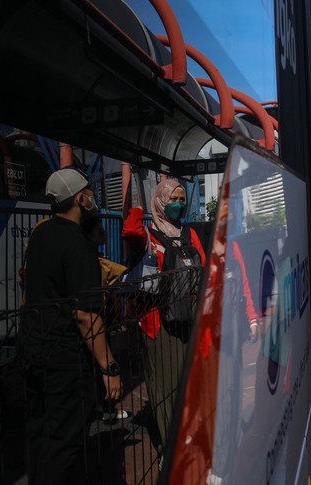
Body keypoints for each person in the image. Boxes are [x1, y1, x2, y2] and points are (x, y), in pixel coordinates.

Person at [21, 167, 122, 485]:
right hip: (65, 357)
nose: (93, 197)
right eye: (90, 192)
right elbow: (86, 315)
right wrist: (109, 368)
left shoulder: (40, 234)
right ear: (80, 198)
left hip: (33, 347)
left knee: (40, 433)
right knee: (64, 442)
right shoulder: (77, 246)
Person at [121, 177, 206, 458]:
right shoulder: (147, 234)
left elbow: (203, 267)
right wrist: (137, 208)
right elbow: (129, 230)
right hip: (157, 323)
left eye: (182, 199)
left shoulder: (188, 234)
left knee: (184, 381)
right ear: (160, 201)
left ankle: (183, 436)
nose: (179, 205)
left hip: (185, 319)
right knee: (164, 386)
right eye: (173, 199)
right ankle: (170, 449)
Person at [81, 215, 129, 421]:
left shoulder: (97, 257)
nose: (104, 232)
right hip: (94, 319)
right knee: (101, 361)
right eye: (99, 229)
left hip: (103, 317)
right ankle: (104, 405)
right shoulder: (87, 260)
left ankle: (103, 405)